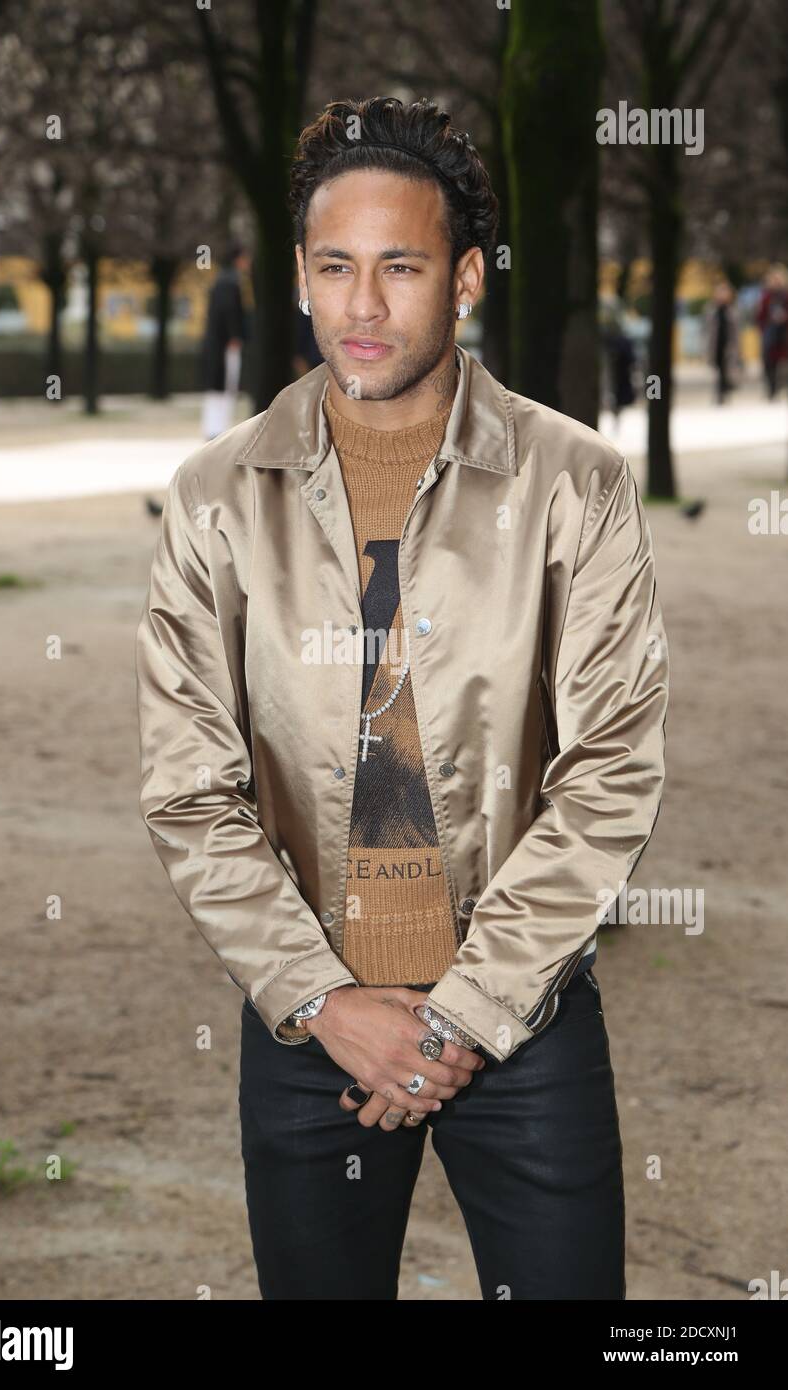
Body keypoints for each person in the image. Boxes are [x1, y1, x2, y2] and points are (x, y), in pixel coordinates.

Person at [135, 95, 669, 1300]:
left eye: (399, 268)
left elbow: (608, 772)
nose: (361, 308)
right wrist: (324, 998)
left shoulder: (573, 485)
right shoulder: (217, 496)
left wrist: (462, 1015)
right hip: (307, 1027)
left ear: (465, 276)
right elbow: (188, 789)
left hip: (523, 1020)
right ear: (299, 275)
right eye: (335, 267)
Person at [198, 242, 252, 440]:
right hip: (225, 345)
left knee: (218, 388)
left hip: (216, 344)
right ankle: (217, 430)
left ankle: (214, 429)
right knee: (225, 386)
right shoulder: (231, 283)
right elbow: (230, 312)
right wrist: (235, 335)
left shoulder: (220, 281)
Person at [756, 263, 788, 400]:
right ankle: (772, 389)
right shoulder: (766, 297)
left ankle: (782, 386)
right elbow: (760, 316)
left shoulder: (786, 296)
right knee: (770, 363)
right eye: (773, 279)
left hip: (785, 333)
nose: (776, 281)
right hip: (770, 334)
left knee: (784, 363)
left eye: (778, 278)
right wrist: (764, 327)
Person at [707, 279, 740, 405]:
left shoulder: (732, 310)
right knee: (719, 369)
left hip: (728, 345)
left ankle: (724, 392)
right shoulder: (711, 310)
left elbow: (736, 332)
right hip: (715, 344)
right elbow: (706, 329)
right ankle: (720, 393)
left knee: (727, 369)